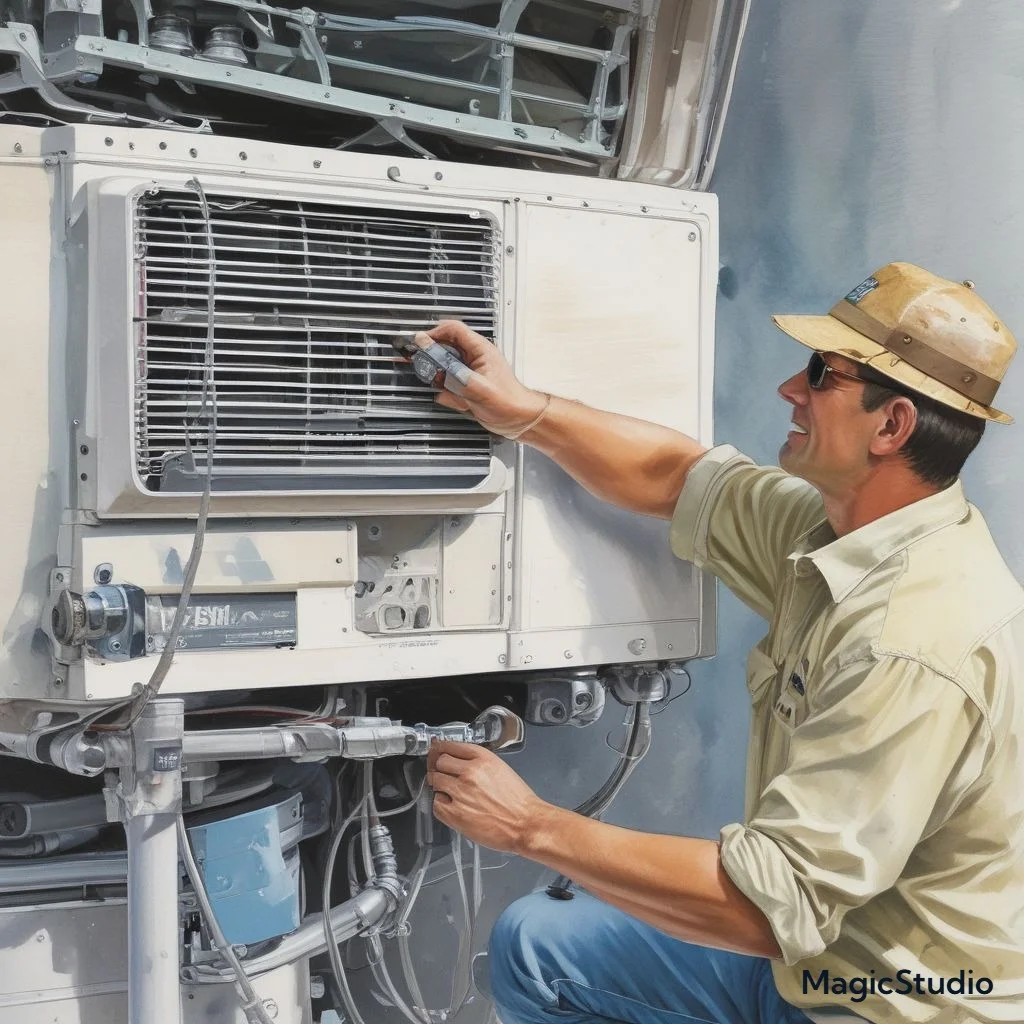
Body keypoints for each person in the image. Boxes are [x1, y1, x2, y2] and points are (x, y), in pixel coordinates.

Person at [423, 263, 1024, 1024]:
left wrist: (528, 826)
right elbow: (678, 478)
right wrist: (524, 413)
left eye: (821, 375)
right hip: (811, 964)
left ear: (891, 425)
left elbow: (768, 907)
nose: (790, 391)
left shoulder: (908, 639)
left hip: (884, 1006)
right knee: (540, 944)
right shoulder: (839, 531)